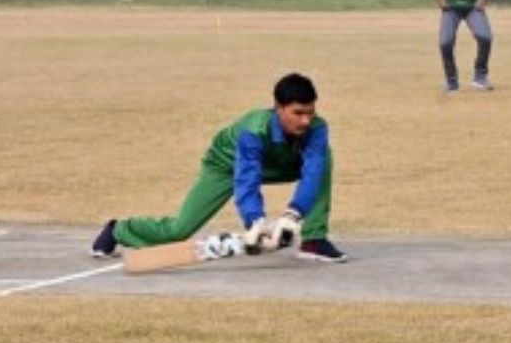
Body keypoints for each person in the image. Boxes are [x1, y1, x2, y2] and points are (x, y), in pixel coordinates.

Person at [90, 72, 346, 263]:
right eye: (298, 113)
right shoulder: (253, 130)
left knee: (324, 160)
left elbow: (312, 171)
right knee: (179, 229)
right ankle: (119, 230)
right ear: (278, 108)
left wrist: (293, 215)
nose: (306, 120)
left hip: (281, 164)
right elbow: (247, 179)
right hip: (226, 165)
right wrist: (255, 222)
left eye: (310, 112)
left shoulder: (317, 128)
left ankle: (313, 241)